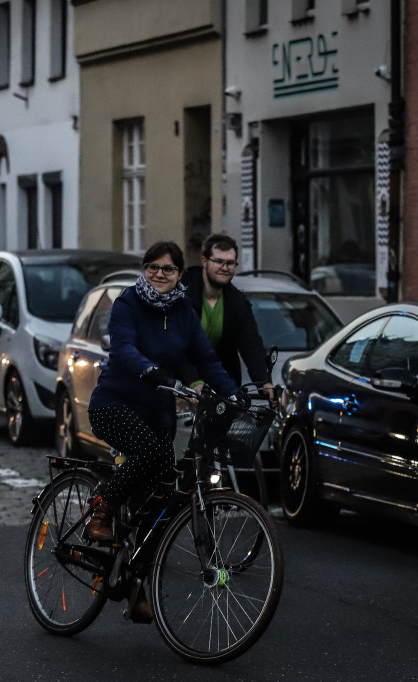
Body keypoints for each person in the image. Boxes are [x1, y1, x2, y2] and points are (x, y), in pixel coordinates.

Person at [85, 240, 240, 622]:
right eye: (152, 267)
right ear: (145, 269)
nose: (158, 274)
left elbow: (205, 358)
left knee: (157, 506)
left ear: (178, 274)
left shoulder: (184, 311)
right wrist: (152, 371)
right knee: (152, 455)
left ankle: (136, 587)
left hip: (157, 416)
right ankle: (100, 510)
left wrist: (236, 395)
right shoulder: (127, 304)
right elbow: (122, 348)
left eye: (167, 269)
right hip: (114, 405)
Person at [180, 233, 276, 405]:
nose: (225, 268)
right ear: (204, 261)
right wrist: (192, 381)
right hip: (180, 383)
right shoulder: (183, 294)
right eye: (218, 262)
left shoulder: (237, 301)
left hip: (221, 386)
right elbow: (176, 344)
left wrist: (264, 382)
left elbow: (250, 342)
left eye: (230, 263)